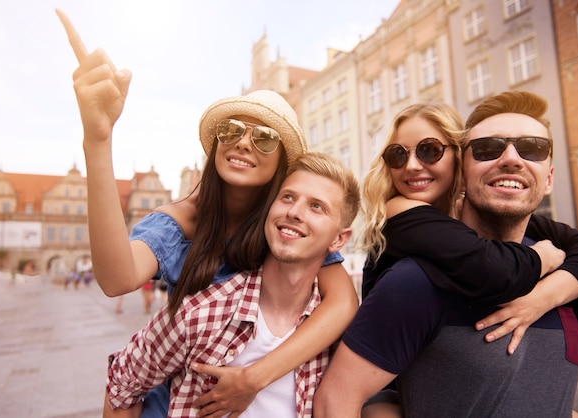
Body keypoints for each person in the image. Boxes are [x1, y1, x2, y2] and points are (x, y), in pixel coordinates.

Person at [56, 10, 359, 417]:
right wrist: (98, 140)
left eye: (265, 137)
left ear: (283, 166)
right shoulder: (183, 222)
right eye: (231, 130)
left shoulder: (286, 224)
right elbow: (116, 279)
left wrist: (254, 379)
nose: (244, 143)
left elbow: (342, 303)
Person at [314, 91, 578, 417]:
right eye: (488, 148)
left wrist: (545, 294)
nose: (511, 159)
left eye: (532, 148)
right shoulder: (414, 274)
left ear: (548, 178)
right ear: (466, 167)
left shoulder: (565, 261)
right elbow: (337, 400)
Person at [103, 152, 361, 417]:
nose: (294, 212)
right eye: (288, 197)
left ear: (339, 240)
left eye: (316, 206)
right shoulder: (200, 313)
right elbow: (122, 386)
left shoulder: (341, 337)